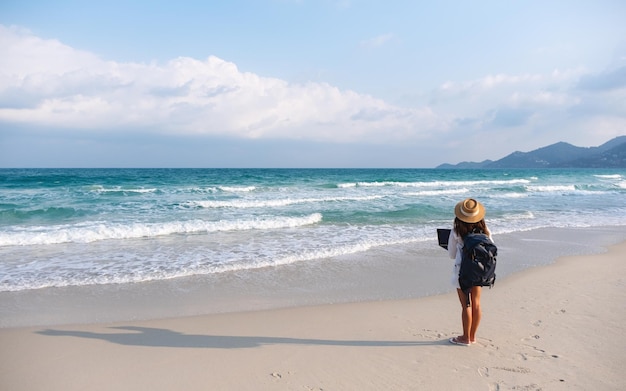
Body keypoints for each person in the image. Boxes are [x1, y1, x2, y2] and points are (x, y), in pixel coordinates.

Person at [447, 198, 492, 346]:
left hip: (462, 272)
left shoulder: (456, 232)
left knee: (466, 305)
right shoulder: (485, 231)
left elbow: (452, 254)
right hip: (479, 270)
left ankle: (465, 338)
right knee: (477, 304)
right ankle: (472, 336)